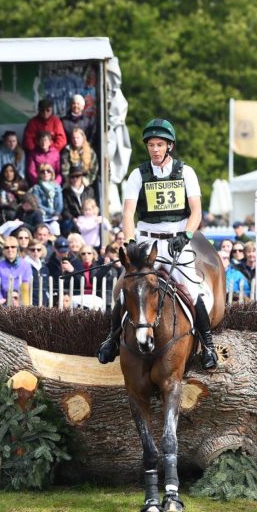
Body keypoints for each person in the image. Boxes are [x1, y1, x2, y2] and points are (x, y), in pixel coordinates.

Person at [97, 118, 217, 368]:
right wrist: (130, 241)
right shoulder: (137, 175)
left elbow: (196, 211)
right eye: (151, 144)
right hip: (146, 242)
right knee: (123, 289)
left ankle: (208, 345)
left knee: (192, 291)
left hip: (176, 242)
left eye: (159, 144)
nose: (155, 149)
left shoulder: (186, 172)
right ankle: (111, 339)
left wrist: (185, 235)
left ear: (169, 146)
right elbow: (128, 213)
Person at [0, 236, 32, 305]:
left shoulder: (26, 265)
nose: (10, 250)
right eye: (7, 247)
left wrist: (24, 304)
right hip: (4, 303)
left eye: (13, 247)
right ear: (3, 250)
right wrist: (0, 299)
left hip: (21, 302)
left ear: (17, 249)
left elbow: (26, 285)